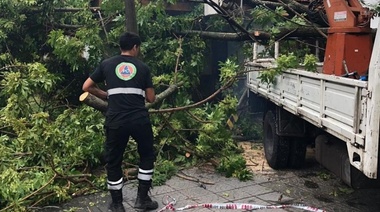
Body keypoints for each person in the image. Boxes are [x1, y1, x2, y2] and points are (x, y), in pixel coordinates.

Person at [82, 32, 158, 212]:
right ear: (135, 47)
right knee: (147, 156)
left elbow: (86, 87)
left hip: (116, 121)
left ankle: (117, 205)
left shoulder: (106, 64)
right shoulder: (143, 67)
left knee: (114, 161)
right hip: (139, 120)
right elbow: (151, 98)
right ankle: (142, 200)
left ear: (121, 47)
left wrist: (105, 94)